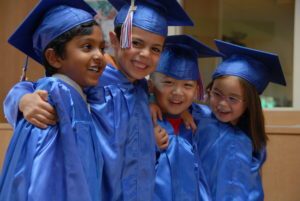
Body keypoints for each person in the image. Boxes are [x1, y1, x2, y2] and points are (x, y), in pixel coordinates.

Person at [2, 0, 194, 200]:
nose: (145, 54)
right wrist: (22, 99)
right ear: (115, 40)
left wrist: (180, 112)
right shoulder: (97, 78)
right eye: (136, 43)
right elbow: (44, 86)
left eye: (156, 49)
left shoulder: (142, 89)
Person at [0, 0, 106, 201]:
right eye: (87, 47)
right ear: (54, 57)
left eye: (102, 48)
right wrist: (20, 97)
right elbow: (44, 178)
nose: (100, 56)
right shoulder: (54, 96)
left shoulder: (81, 95)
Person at [195, 40, 286, 200]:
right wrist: (153, 99)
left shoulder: (254, 139)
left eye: (233, 98)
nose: (223, 104)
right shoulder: (199, 119)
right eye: (217, 94)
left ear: (249, 102)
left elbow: (252, 186)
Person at [149, 35, 222, 201]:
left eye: (187, 85)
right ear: (151, 85)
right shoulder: (143, 119)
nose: (178, 92)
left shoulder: (201, 119)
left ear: (197, 89)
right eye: (168, 82)